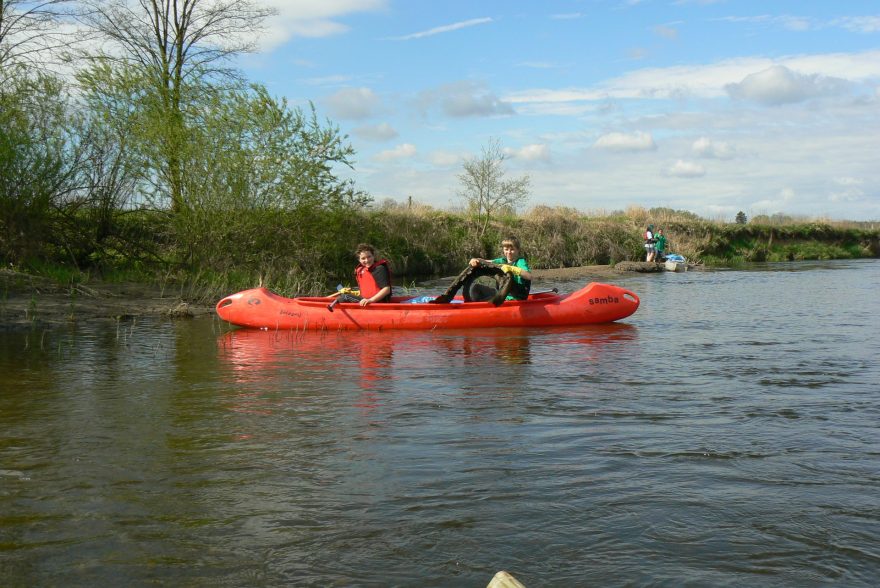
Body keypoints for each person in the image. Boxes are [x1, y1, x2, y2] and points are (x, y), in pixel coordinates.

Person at [433, 236, 533, 302]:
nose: (509, 252)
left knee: (490, 299)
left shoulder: (520, 261)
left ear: (518, 250)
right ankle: (473, 309)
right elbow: (485, 261)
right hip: (501, 293)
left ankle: (486, 309)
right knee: (476, 288)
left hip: (515, 297)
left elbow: (529, 276)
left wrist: (512, 269)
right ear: (503, 250)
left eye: (512, 249)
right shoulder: (502, 260)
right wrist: (475, 260)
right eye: (506, 249)